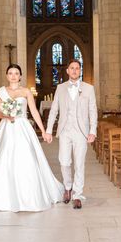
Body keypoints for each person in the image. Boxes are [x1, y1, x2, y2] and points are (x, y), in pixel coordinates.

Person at [0, 64, 63, 212]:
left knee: (26, 158)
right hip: (6, 126)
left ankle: (29, 196)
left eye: (16, 73)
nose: (13, 76)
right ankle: (0, 197)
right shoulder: (1, 92)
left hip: (22, 127)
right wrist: (6, 115)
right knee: (2, 158)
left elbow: (33, 112)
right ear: (7, 76)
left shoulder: (26, 91)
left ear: (20, 76)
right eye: (10, 73)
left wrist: (44, 131)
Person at [45, 59, 97, 209]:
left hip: (81, 132)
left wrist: (93, 131)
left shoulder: (88, 88)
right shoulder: (60, 88)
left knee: (79, 164)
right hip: (65, 130)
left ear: (80, 71)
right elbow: (54, 109)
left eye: (77, 68)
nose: (74, 70)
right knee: (64, 161)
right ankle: (67, 187)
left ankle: (78, 194)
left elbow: (92, 111)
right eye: (72, 68)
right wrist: (49, 130)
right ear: (67, 71)